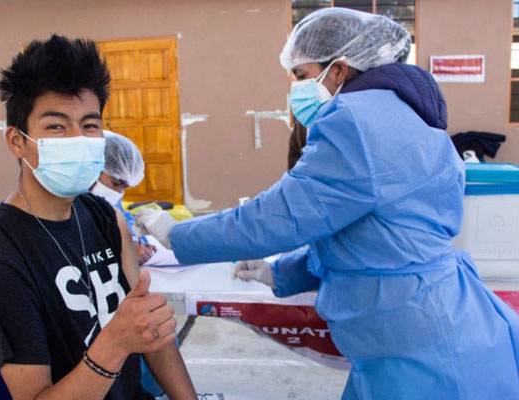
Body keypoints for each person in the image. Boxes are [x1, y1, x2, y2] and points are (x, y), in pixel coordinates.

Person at [137, 8, 519, 400]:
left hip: (417, 345)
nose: (295, 89)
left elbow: (279, 217)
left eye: (300, 74)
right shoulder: (409, 117)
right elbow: (368, 238)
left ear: (338, 70)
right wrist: (279, 273)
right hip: (440, 321)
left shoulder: (354, 119)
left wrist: (177, 234)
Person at [0, 35, 196, 400]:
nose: (77, 139)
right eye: (56, 126)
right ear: (17, 141)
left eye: (89, 125)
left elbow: (153, 334)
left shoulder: (104, 216)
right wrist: (114, 344)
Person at [90, 131, 156, 265]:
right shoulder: (66, 200)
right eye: (116, 183)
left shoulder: (104, 195)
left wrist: (136, 241)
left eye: (124, 187)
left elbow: (123, 219)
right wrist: (122, 253)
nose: (118, 192)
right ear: (94, 167)